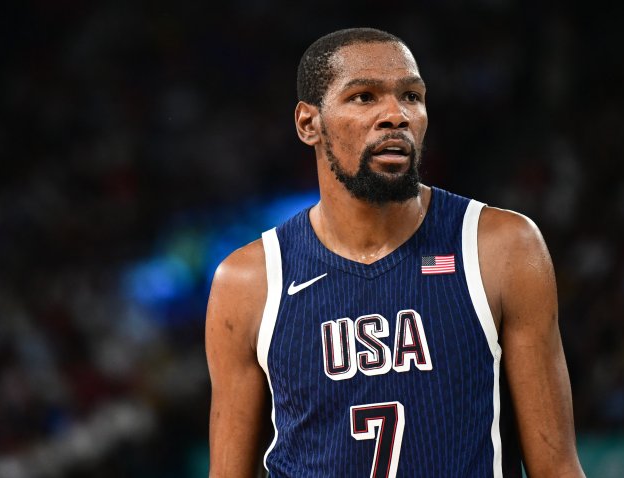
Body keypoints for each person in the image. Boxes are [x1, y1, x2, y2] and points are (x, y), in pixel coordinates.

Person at [206, 27, 585, 478]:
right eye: (364, 97)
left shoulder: (501, 246)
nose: (396, 115)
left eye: (411, 96)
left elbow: (556, 466)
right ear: (309, 124)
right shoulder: (248, 281)